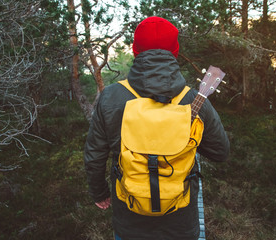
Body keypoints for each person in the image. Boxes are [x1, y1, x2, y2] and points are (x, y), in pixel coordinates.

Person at [84, 16, 230, 240]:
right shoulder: (194, 98)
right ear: (176, 51)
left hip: (129, 221)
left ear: (135, 50)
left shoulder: (111, 96)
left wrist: (100, 193)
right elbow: (220, 152)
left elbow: (95, 155)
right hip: (181, 223)